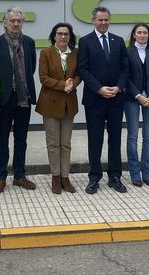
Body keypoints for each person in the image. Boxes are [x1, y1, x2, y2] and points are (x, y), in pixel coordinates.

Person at [77, 6, 130, 194]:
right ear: (93, 21)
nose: (103, 23)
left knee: (115, 138)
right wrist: (99, 88)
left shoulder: (118, 41)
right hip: (95, 99)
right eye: (100, 20)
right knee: (95, 139)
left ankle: (115, 176)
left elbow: (125, 68)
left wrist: (119, 87)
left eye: (106, 19)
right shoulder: (85, 41)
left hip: (116, 98)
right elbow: (83, 69)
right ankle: (94, 177)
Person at [0, 7, 38, 193]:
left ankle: (19, 175)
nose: (16, 24)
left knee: (21, 139)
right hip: (4, 98)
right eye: (12, 21)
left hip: (23, 97)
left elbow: (30, 68)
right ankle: (0, 177)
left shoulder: (29, 43)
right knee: (2, 138)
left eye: (19, 21)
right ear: (5, 23)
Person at [36, 22, 82, 194]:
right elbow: (43, 77)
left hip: (69, 103)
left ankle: (65, 177)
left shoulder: (75, 53)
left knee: (66, 144)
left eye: (66, 34)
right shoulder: (46, 53)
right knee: (53, 143)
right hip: (50, 103)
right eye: (59, 33)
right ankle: (55, 177)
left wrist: (74, 83)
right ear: (54, 36)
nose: (63, 36)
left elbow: (79, 73)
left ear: (70, 36)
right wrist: (63, 85)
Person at [124, 23, 149, 186]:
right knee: (132, 136)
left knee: (148, 137)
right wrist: (138, 96)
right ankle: (134, 173)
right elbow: (126, 76)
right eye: (139, 32)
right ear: (134, 35)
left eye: (145, 32)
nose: (142, 35)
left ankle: (147, 173)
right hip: (132, 98)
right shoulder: (127, 52)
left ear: (148, 35)